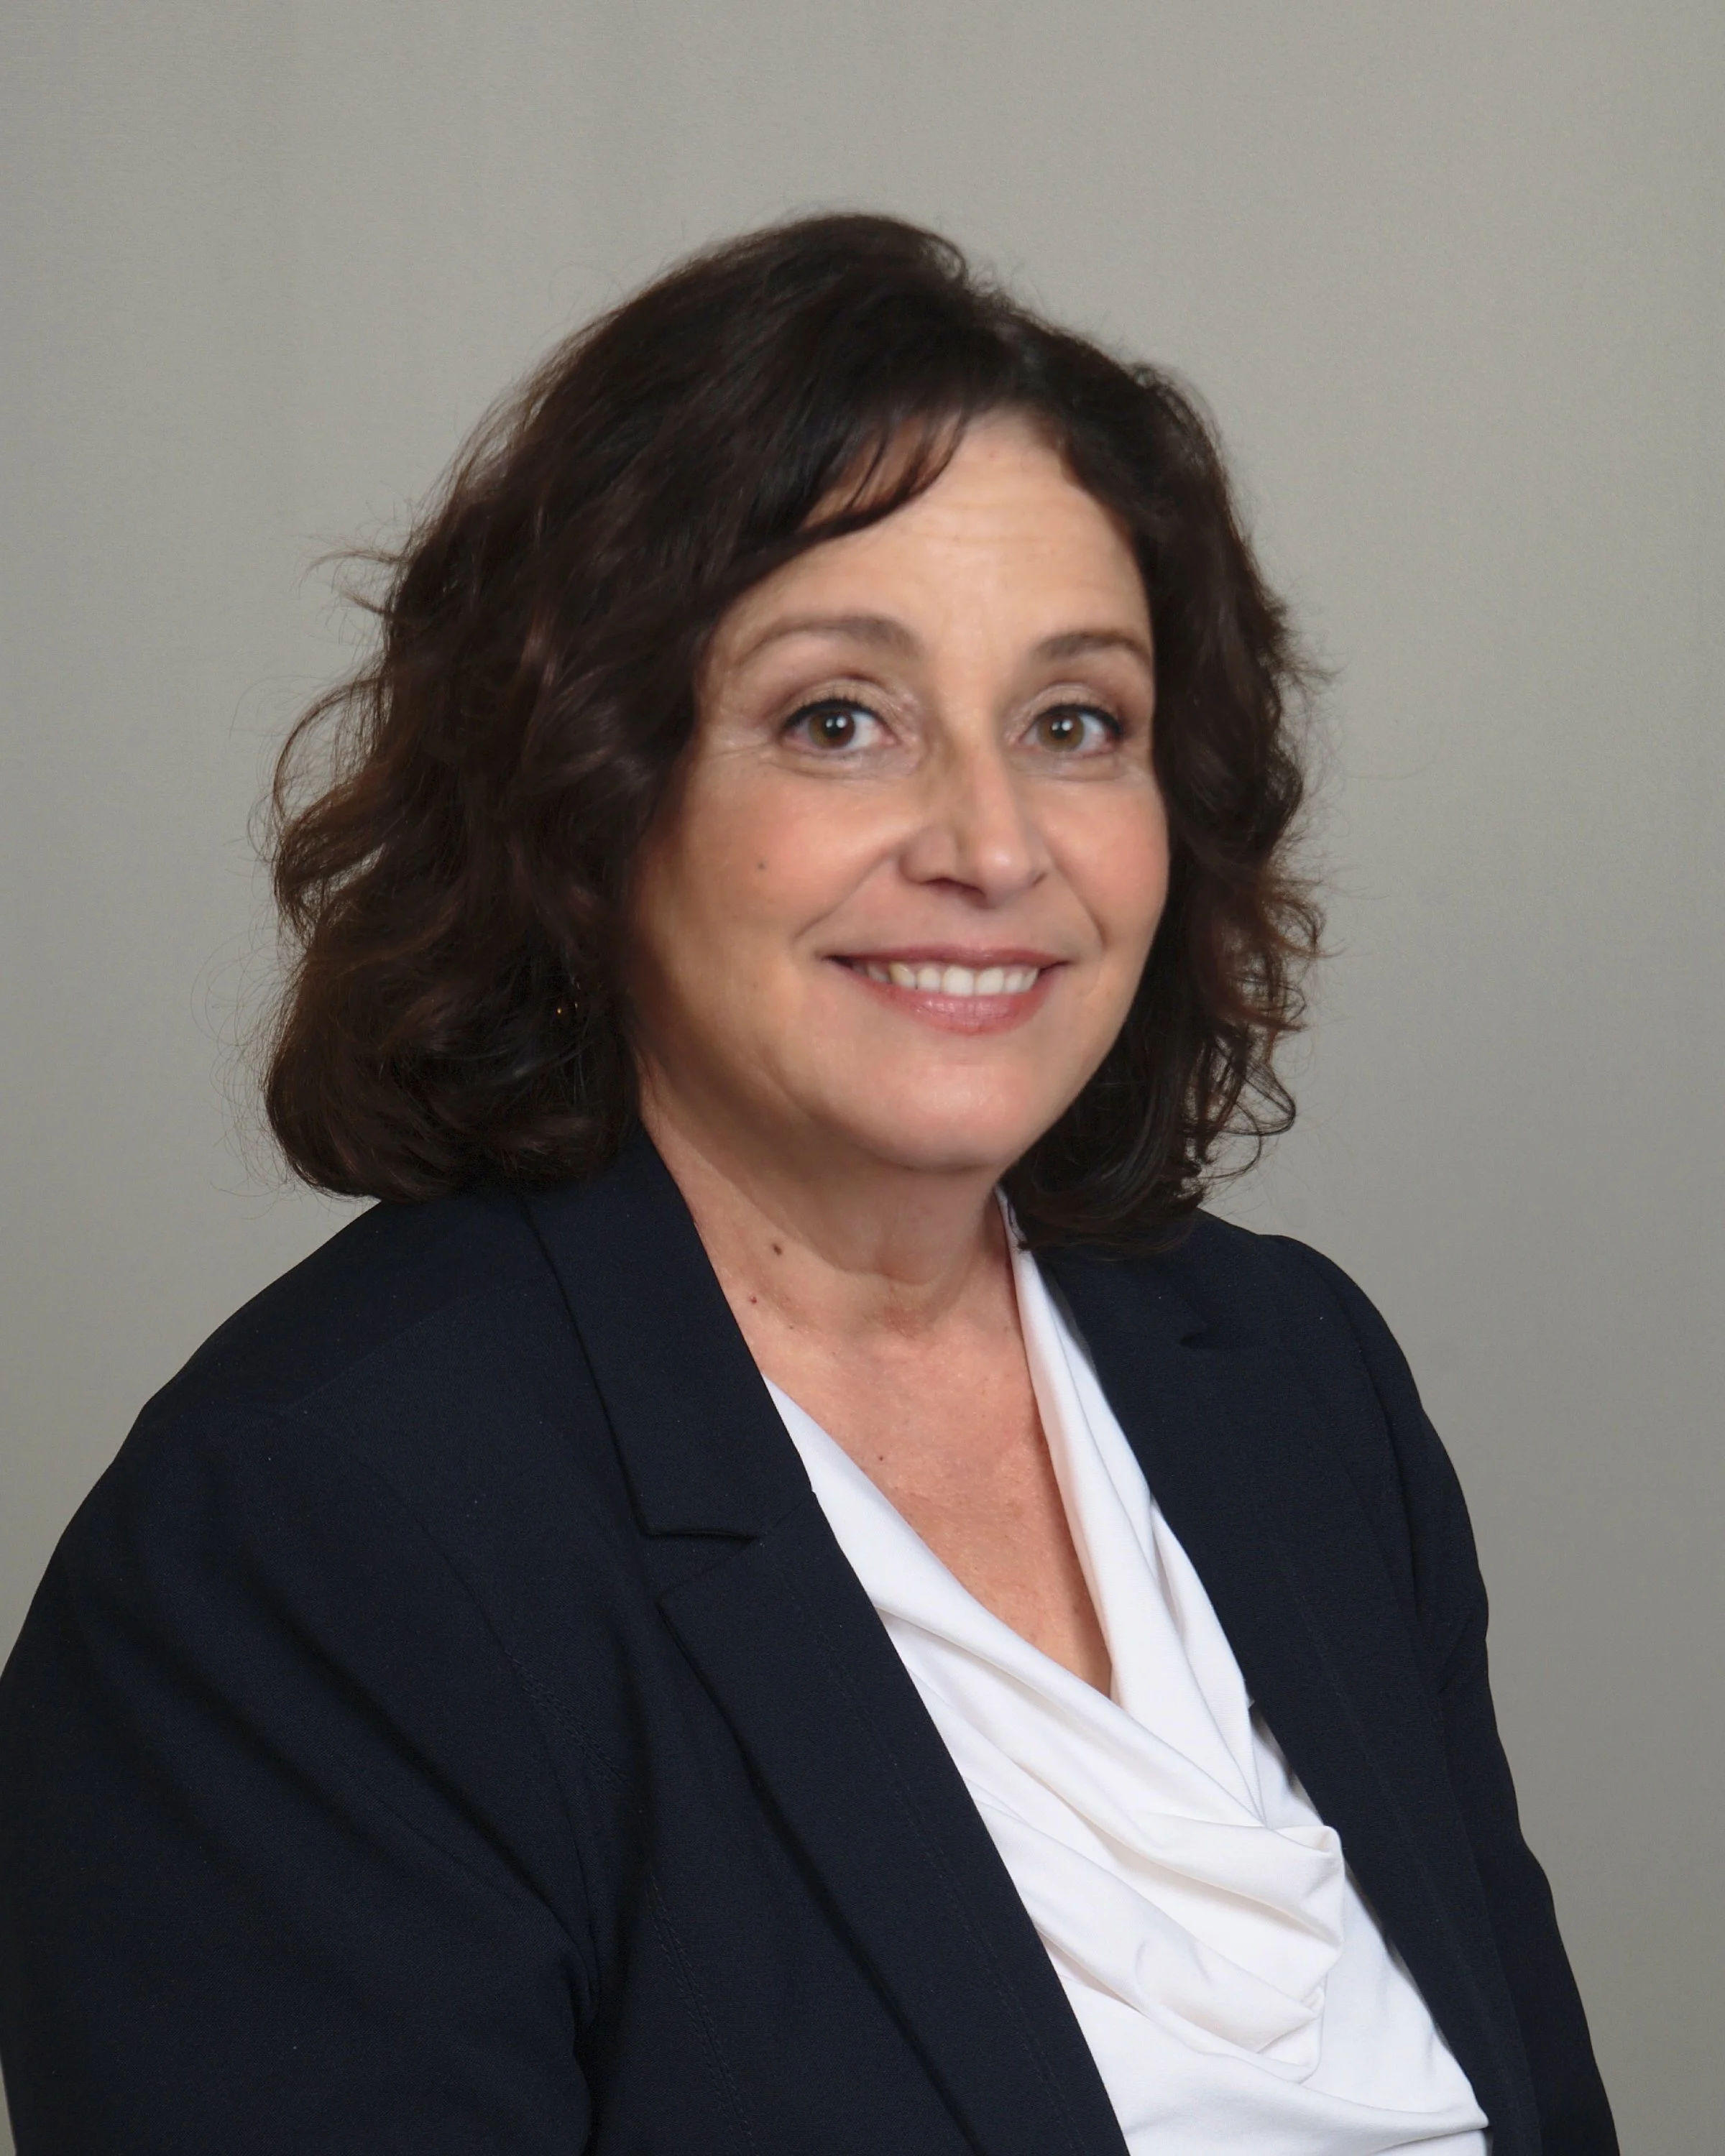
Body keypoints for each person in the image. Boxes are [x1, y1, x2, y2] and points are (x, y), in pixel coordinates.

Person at [0, 214, 1616, 2156]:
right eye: (840, 719)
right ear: (594, 789)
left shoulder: (1292, 1379)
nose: (991, 843)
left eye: (1076, 724)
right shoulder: (310, 1541)